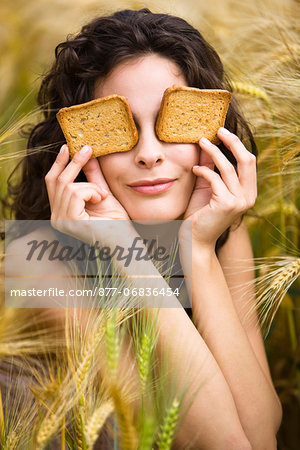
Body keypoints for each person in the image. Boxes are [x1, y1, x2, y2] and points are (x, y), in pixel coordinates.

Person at [3, 8, 282, 449]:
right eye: (122, 130)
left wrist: (197, 250)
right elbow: (222, 443)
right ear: (75, 146)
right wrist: (120, 244)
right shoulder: (38, 261)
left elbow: (262, 432)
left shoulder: (219, 229)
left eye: (171, 125)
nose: (149, 153)